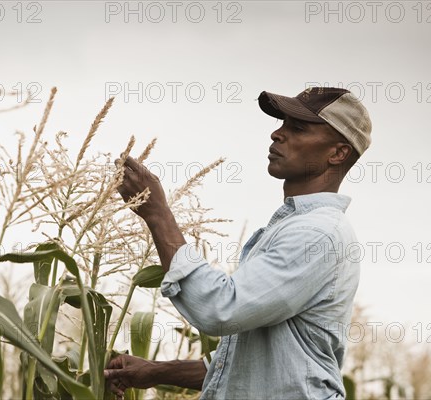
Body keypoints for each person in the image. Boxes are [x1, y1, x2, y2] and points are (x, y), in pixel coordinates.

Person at [106, 87, 372, 399]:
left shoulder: (316, 235)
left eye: (297, 128)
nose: (277, 134)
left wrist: (159, 216)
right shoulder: (296, 227)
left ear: (337, 153)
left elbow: (220, 309)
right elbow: (245, 366)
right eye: (282, 123)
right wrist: (153, 371)